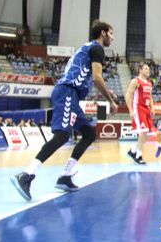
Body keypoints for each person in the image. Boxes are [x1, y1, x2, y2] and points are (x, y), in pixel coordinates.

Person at [11, 21, 119, 200]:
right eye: (111, 33)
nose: (113, 38)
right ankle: (26, 175)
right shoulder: (97, 49)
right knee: (62, 135)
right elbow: (97, 77)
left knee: (89, 133)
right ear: (103, 33)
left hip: (71, 94)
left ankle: (65, 176)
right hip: (67, 92)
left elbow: (88, 76)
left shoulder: (87, 47)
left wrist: (109, 92)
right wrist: (111, 101)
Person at [126, 63, 154, 165]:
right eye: (146, 69)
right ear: (140, 70)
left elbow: (150, 96)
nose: (148, 70)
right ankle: (138, 155)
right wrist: (130, 110)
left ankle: (133, 150)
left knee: (149, 134)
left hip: (147, 109)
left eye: (148, 69)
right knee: (143, 131)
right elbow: (128, 95)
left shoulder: (149, 82)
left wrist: (152, 107)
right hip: (138, 108)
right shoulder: (136, 81)